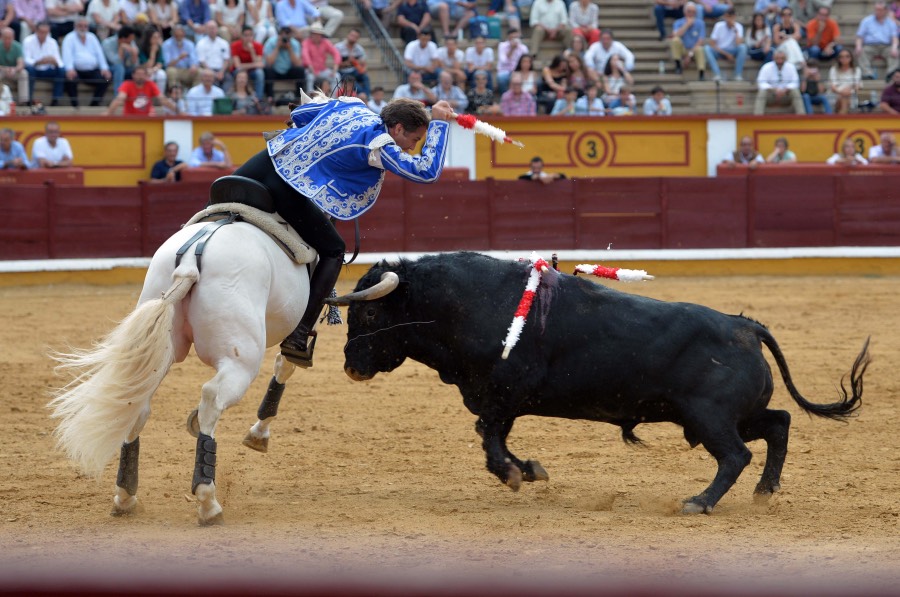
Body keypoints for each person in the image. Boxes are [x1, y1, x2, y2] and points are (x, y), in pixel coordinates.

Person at [232, 96, 455, 366]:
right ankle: (299, 335)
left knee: (215, 207)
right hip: (290, 188)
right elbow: (425, 171)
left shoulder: (352, 106)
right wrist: (440, 125)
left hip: (262, 164)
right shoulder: (380, 146)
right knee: (334, 250)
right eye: (415, 140)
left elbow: (301, 114)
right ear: (396, 129)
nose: (412, 147)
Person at [60, 17, 112, 107]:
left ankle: (94, 104)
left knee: (106, 78)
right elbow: (67, 55)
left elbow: (99, 54)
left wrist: (104, 68)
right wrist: (70, 69)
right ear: (75, 26)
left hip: (92, 70)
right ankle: (75, 105)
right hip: (76, 71)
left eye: (85, 26)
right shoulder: (69, 38)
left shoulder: (92, 37)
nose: (83, 28)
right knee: (70, 79)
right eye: (80, 26)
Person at [104, 64, 175, 114]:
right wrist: (109, 112)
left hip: (146, 119)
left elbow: (163, 99)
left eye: (142, 74)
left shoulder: (150, 84)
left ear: (146, 75)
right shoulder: (127, 84)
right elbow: (119, 99)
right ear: (133, 75)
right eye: (138, 74)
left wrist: (178, 112)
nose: (140, 77)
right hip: (130, 119)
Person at [23, 21, 64, 106]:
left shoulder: (52, 42)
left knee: (61, 70)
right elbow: (26, 59)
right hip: (34, 69)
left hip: (47, 70)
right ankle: (29, 100)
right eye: (42, 32)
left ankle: (56, 100)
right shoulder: (28, 40)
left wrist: (54, 62)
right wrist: (38, 62)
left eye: (46, 32)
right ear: (37, 31)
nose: (44, 34)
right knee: (29, 70)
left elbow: (59, 61)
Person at [855, 2, 899, 81]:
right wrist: (858, 46)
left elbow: (895, 38)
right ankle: (867, 74)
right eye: (876, 9)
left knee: (896, 52)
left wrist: (894, 47)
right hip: (870, 46)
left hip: (886, 46)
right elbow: (859, 36)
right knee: (861, 51)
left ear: (886, 11)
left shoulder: (891, 22)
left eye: (880, 10)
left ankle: (891, 73)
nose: (878, 11)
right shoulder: (866, 21)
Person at [754, 49, 804, 114]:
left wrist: (786, 89)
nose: (780, 61)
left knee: (795, 91)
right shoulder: (766, 67)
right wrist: (773, 89)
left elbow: (796, 83)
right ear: (773, 58)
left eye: (782, 58)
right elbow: (760, 83)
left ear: (786, 58)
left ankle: (801, 117)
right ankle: (758, 118)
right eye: (777, 58)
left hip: (786, 96)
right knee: (762, 92)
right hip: (771, 96)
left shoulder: (791, 67)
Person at [704, 8, 747, 82]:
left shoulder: (739, 27)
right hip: (720, 51)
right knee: (706, 48)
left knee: (743, 47)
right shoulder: (718, 25)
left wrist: (735, 30)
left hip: (733, 51)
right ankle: (717, 74)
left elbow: (738, 44)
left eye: (730, 17)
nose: (727, 19)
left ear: (734, 17)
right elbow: (712, 44)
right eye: (726, 16)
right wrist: (727, 54)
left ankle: (738, 75)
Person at [263, 25, 304, 98]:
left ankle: (299, 97)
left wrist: (290, 49)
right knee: (267, 70)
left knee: (300, 70)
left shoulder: (295, 44)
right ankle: (270, 97)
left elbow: (298, 64)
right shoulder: (271, 42)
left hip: (288, 71)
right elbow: (269, 63)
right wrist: (277, 47)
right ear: (279, 36)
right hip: (275, 71)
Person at [670, 2, 707, 80]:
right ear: (684, 12)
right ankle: (678, 66)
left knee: (700, 49)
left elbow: (701, 41)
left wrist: (690, 55)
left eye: (693, 12)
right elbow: (675, 35)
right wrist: (687, 25)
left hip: (693, 49)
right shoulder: (678, 22)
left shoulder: (700, 23)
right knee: (675, 40)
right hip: (683, 48)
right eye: (689, 11)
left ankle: (701, 73)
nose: (691, 14)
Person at [101, 25, 140, 96]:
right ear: (123, 39)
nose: (131, 42)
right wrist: (121, 49)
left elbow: (135, 64)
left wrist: (134, 54)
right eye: (130, 40)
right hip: (108, 70)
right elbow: (114, 62)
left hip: (126, 68)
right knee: (119, 68)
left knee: (139, 72)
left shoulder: (131, 42)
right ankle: (118, 96)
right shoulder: (107, 43)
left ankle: (136, 97)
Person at [301, 25, 340, 92]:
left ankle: (334, 98)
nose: (316, 36)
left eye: (318, 34)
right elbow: (305, 56)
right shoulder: (306, 42)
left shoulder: (325, 42)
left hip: (322, 70)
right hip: (310, 70)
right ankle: (309, 97)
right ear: (311, 34)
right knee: (310, 78)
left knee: (336, 76)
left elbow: (336, 53)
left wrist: (335, 68)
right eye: (314, 34)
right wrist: (311, 68)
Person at [230, 25, 264, 99]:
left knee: (260, 73)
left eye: (250, 35)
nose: (248, 38)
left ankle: (259, 99)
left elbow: (259, 64)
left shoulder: (258, 46)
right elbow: (238, 65)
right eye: (246, 35)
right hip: (238, 71)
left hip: (252, 71)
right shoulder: (235, 45)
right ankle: (236, 98)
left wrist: (252, 51)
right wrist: (255, 65)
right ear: (241, 36)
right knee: (240, 72)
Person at [195, 20, 230, 88]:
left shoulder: (223, 43)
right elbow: (202, 61)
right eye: (210, 28)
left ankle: (223, 97)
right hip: (207, 70)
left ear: (217, 29)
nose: (212, 30)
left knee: (229, 79)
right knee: (210, 78)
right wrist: (213, 73)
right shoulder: (201, 43)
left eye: (214, 28)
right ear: (206, 30)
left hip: (221, 70)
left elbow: (226, 59)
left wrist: (221, 72)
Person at [334, 28, 370, 95]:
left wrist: (358, 64)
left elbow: (364, 63)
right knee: (355, 85)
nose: (353, 38)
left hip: (354, 71)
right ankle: (363, 95)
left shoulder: (359, 49)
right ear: (348, 35)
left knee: (365, 77)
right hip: (342, 72)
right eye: (352, 35)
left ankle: (367, 97)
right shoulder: (338, 47)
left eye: (356, 37)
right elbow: (334, 64)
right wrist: (345, 63)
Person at [163, 24, 199, 89]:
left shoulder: (190, 44)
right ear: (173, 35)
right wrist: (178, 58)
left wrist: (193, 65)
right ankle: (174, 94)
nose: (179, 37)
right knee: (171, 71)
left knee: (200, 72)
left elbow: (194, 60)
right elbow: (167, 64)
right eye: (177, 36)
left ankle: (194, 94)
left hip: (186, 70)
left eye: (181, 35)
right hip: (174, 69)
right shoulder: (167, 44)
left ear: (184, 34)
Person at [0, 27, 28, 105]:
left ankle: (23, 101)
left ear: (13, 38)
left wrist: (14, 70)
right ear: (1, 38)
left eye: (10, 38)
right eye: (5, 38)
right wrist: (5, 69)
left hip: (14, 71)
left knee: (24, 73)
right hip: (2, 70)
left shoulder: (17, 46)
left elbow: (21, 64)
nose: (8, 40)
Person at [828, 49, 861, 114]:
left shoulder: (857, 70)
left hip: (850, 94)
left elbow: (857, 86)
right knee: (843, 98)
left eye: (847, 56)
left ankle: (840, 119)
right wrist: (842, 92)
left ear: (851, 58)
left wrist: (850, 92)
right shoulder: (833, 69)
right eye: (842, 57)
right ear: (838, 59)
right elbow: (833, 87)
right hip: (835, 94)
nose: (844, 59)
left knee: (845, 99)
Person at [496, 29, 527, 93]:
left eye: (516, 37)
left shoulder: (523, 48)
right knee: (501, 78)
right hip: (505, 70)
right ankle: (505, 97)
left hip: (518, 70)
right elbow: (504, 61)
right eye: (512, 38)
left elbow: (525, 61)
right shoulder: (502, 46)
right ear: (508, 38)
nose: (515, 40)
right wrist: (512, 49)